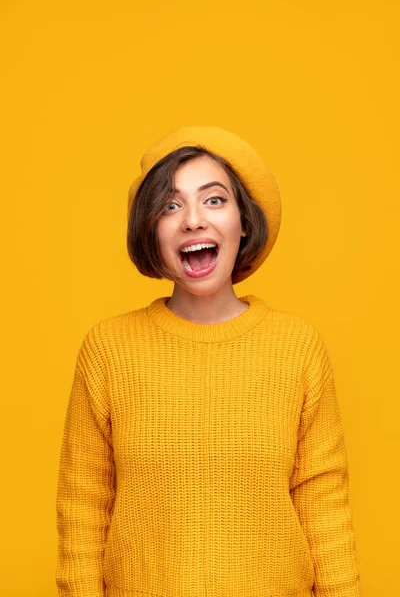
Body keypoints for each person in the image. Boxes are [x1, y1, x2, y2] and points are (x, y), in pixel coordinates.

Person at [55, 126, 362, 597]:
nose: (193, 220)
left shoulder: (297, 347)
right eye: (170, 206)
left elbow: (323, 501)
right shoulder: (109, 348)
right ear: (151, 232)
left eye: (214, 200)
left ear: (244, 221)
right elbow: (83, 507)